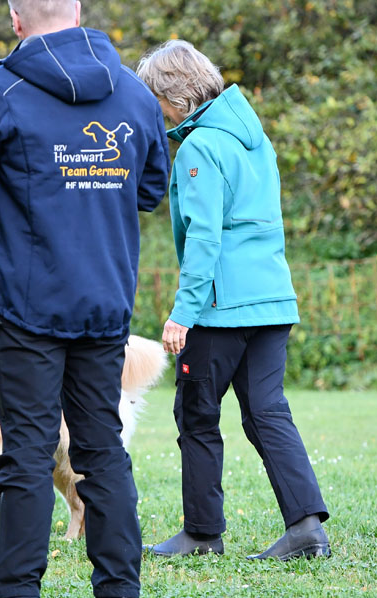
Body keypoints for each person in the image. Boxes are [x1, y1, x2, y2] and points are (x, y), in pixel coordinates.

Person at [0, 0, 170, 598]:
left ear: (17, 20)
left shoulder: (1, 87)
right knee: (101, 448)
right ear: (77, 11)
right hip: (103, 297)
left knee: (28, 448)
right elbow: (151, 188)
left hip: (27, 301)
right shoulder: (131, 91)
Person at [135, 41, 331, 560]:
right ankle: (306, 526)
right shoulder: (254, 137)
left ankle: (201, 533)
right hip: (272, 300)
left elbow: (205, 237)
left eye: (155, 98)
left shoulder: (201, 146)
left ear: (173, 95)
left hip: (221, 308)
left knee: (196, 414)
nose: (155, 110)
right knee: (267, 411)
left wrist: (183, 311)